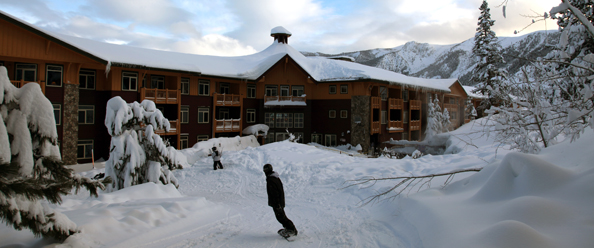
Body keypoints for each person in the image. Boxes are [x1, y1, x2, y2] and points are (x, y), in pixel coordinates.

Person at [263, 164, 297, 237]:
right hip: (279, 202)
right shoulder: (274, 178)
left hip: (277, 203)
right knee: (281, 217)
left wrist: (277, 204)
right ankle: (289, 228)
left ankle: (291, 229)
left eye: (265, 170)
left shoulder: (271, 180)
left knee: (281, 217)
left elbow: (275, 193)